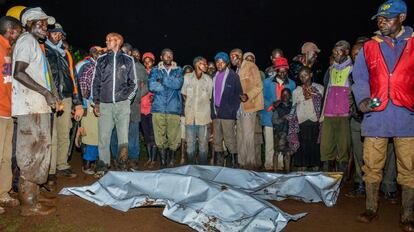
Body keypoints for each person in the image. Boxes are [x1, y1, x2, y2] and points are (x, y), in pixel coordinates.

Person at [352, 1, 414, 229]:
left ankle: (408, 214)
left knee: (409, 166)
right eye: (379, 18)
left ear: (402, 17)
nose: (382, 21)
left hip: (406, 114)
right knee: (372, 164)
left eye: (388, 17)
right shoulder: (369, 46)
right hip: (376, 114)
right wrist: (363, 99)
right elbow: (359, 77)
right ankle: (371, 208)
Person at [12, 7, 58, 216]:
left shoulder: (34, 44)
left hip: (37, 106)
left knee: (39, 151)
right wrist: (45, 93)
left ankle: (34, 194)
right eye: (41, 24)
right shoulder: (26, 41)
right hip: (30, 108)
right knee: (31, 153)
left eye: (46, 25)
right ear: (29, 23)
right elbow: (19, 72)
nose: (45, 28)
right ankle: (29, 204)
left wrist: (49, 95)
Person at [92, 32, 137, 174]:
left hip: (122, 105)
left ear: (118, 41)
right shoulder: (101, 59)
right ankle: (103, 166)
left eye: (109, 40)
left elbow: (133, 84)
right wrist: (97, 103)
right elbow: (96, 82)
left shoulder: (128, 60)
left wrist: (126, 99)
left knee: (123, 136)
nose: (106, 42)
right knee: (104, 137)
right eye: (106, 40)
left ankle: (122, 164)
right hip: (105, 105)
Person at [44, 22, 84, 184]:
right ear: (48, 34)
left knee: (63, 132)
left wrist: (78, 103)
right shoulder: (43, 51)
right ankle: (50, 169)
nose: (58, 35)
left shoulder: (66, 53)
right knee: (50, 134)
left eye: (60, 33)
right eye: (54, 33)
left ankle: (61, 164)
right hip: (49, 98)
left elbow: (74, 79)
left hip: (66, 97)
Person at [0, 16, 22, 215]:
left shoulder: (9, 49)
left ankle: (3, 193)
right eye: (18, 31)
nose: (20, 34)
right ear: (11, 30)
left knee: (6, 156)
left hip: (8, 111)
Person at [320, 40, 353, 172]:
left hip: (345, 112)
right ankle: (327, 176)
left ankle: (342, 177)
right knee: (326, 144)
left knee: (343, 145)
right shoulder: (330, 69)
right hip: (329, 112)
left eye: (339, 51)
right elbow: (326, 90)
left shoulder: (353, 69)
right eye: (334, 51)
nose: (336, 54)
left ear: (347, 52)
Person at [148, 48, 183, 168]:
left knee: (174, 136)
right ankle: (163, 162)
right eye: (166, 55)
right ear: (161, 57)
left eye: (170, 55)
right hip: (158, 108)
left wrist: (162, 80)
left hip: (174, 108)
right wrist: (169, 85)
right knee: (159, 136)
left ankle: (172, 161)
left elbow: (178, 84)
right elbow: (151, 86)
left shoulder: (179, 69)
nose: (168, 57)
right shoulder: (155, 70)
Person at [230, 48, 264, 169]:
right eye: (230, 56)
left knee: (248, 136)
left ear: (239, 56)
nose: (231, 58)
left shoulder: (250, 66)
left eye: (233, 56)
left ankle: (250, 164)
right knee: (239, 135)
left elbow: (259, 86)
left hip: (249, 105)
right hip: (239, 108)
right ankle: (242, 162)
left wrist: (248, 95)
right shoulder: (237, 70)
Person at [261, 57, 296, 171]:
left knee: (282, 140)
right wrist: (272, 104)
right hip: (269, 115)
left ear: (287, 70)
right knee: (270, 141)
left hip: (283, 117)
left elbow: (292, 100)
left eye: (284, 71)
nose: (282, 74)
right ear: (276, 70)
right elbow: (263, 98)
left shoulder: (291, 84)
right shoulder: (267, 82)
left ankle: (280, 164)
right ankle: (269, 164)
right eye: (279, 71)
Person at [211, 52, 242, 167]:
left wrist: (232, 110)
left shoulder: (233, 76)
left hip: (228, 114)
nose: (219, 64)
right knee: (217, 141)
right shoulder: (213, 76)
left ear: (227, 63)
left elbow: (239, 95)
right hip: (216, 113)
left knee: (230, 140)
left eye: (222, 62)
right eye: (217, 62)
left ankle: (234, 164)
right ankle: (218, 165)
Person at [181, 57, 213, 165]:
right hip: (190, 118)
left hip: (204, 118)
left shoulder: (208, 80)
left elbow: (209, 97)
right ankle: (191, 168)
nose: (205, 65)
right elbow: (184, 95)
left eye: (206, 63)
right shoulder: (187, 78)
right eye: (202, 63)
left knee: (203, 147)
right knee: (190, 146)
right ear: (196, 64)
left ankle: (203, 169)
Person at [291, 67, 324, 171]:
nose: (303, 77)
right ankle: (303, 168)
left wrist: (314, 95)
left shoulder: (319, 88)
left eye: (305, 75)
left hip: (315, 121)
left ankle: (315, 169)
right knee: (303, 147)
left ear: (310, 74)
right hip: (302, 122)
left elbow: (323, 104)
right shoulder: (297, 91)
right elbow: (294, 107)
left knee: (315, 147)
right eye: (300, 76)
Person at [141, 52, 157, 168]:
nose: (147, 63)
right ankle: (149, 158)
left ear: (153, 62)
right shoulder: (141, 74)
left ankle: (153, 159)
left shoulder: (156, 74)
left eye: (149, 61)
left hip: (153, 109)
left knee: (153, 135)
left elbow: (159, 89)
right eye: (145, 62)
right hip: (142, 109)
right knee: (146, 135)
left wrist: (154, 95)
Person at [271, 88, 293, 172]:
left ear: (290, 96)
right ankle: (275, 172)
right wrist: (283, 118)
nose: (285, 96)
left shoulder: (292, 106)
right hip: (279, 132)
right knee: (276, 152)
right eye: (283, 94)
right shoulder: (278, 107)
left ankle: (287, 171)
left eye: (287, 94)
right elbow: (274, 120)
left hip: (289, 132)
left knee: (287, 152)